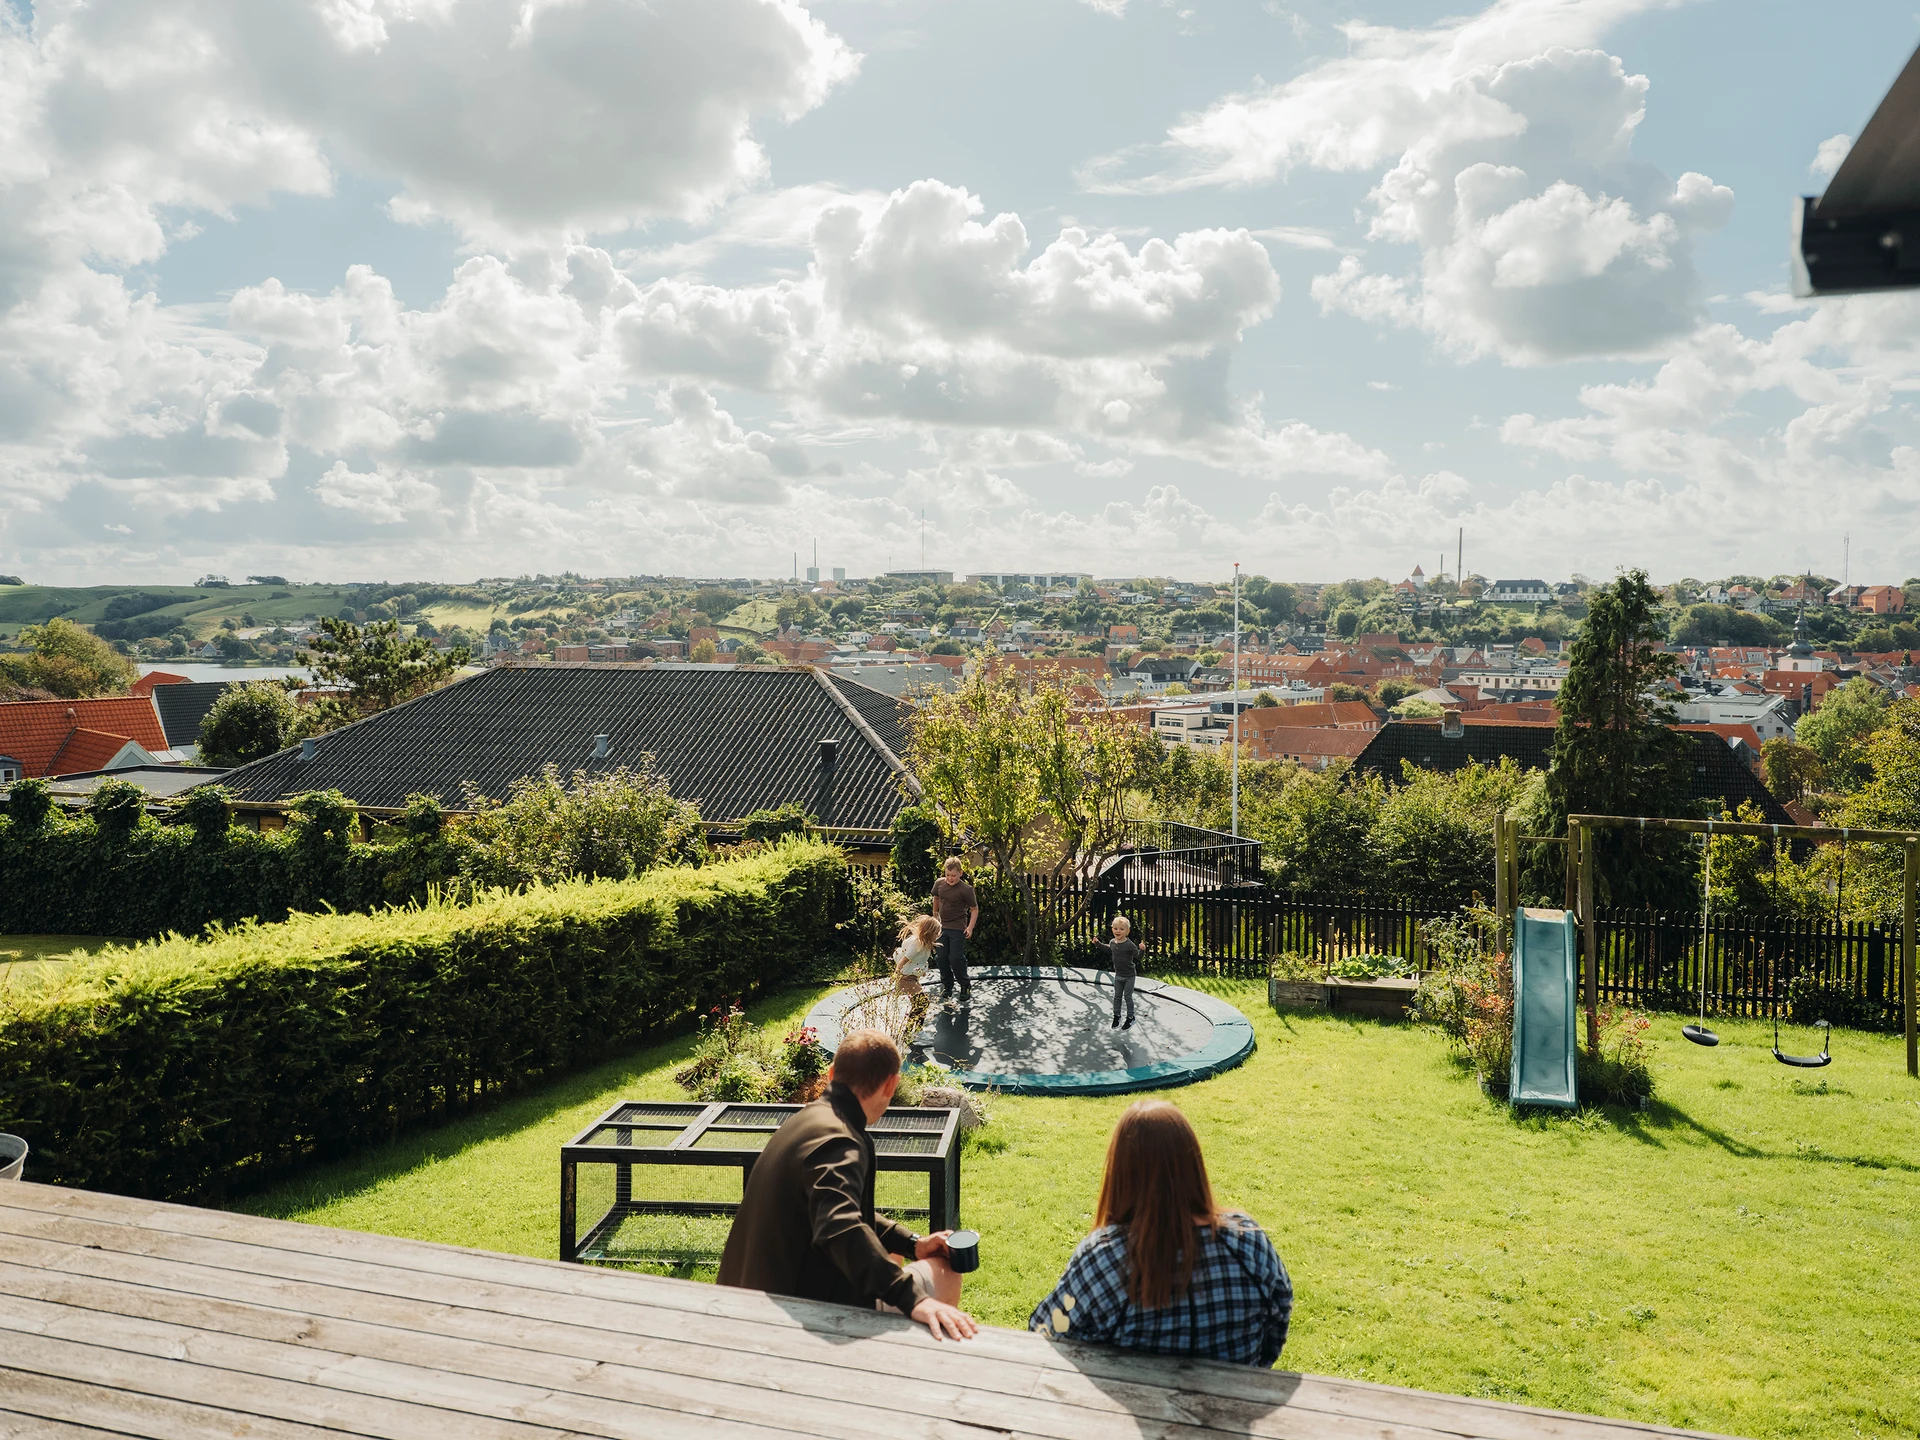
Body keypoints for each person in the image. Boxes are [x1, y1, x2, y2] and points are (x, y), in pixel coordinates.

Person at [718, 1028, 977, 1342]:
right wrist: (914, 1298)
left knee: (890, 1254)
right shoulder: (840, 1142)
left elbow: (842, 1213)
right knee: (946, 1272)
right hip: (791, 1318)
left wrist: (912, 1244)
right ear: (891, 1085)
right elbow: (838, 1225)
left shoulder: (808, 1120)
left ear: (831, 1074)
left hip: (747, 1294)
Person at [1029, 1100, 1291, 1367]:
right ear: (1192, 1163)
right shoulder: (1248, 1243)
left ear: (1121, 1172)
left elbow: (1046, 1334)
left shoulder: (1104, 1258)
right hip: (1237, 1392)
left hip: (1127, 1395)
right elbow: (1277, 1323)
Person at [930, 858, 978, 1008]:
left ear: (960, 873)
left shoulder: (966, 890)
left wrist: (970, 927)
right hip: (942, 927)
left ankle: (965, 985)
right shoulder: (939, 883)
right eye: (948, 875)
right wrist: (935, 916)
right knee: (941, 957)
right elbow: (936, 898)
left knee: (956, 957)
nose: (950, 878)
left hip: (958, 927)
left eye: (953, 876)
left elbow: (974, 909)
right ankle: (948, 985)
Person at [1093, 914, 1141, 1029]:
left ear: (1127, 931)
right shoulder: (1112, 942)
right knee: (1117, 996)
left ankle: (1131, 1017)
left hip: (1129, 975)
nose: (1118, 931)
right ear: (1112, 929)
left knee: (1128, 996)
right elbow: (1107, 948)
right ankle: (1116, 1016)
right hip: (1118, 975)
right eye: (1115, 928)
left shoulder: (1129, 945)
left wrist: (1142, 950)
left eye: (1121, 929)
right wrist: (1097, 943)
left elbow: (1138, 956)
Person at [892, 914, 938, 1032]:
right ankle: (914, 1031)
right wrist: (896, 974)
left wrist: (921, 971)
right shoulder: (918, 945)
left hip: (911, 978)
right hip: (906, 978)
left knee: (919, 1005)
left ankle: (910, 1031)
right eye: (936, 933)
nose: (938, 936)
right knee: (923, 1003)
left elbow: (920, 960)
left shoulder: (925, 945)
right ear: (929, 932)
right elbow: (904, 959)